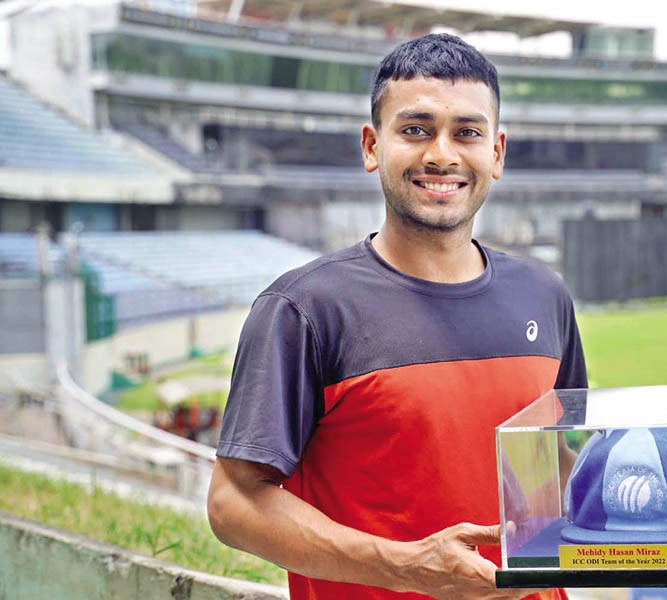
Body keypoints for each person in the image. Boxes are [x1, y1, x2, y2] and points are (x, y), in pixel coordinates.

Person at [207, 33, 587, 600]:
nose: (442, 154)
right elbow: (234, 502)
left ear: (497, 153)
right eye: (415, 130)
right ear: (372, 146)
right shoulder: (305, 310)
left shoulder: (545, 295)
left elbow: (559, 461)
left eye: (467, 133)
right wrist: (406, 567)